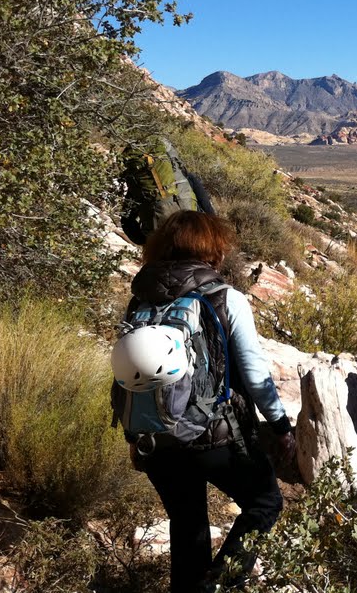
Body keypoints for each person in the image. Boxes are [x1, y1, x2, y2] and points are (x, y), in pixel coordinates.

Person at [126, 210, 296, 592]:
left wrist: (133, 437)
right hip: (215, 436)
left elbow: (129, 373)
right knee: (264, 502)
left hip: (156, 437)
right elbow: (254, 375)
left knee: (188, 527)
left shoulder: (141, 299)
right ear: (212, 248)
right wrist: (282, 427)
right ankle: (220, 585)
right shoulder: (225, 298)